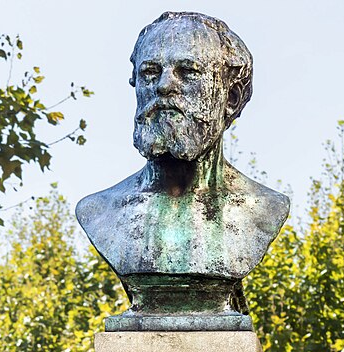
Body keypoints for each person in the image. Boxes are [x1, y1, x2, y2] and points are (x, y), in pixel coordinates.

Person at [76, 11, 290, 329]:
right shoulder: (99, 213)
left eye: (187, 71)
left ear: (230, 97)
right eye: (150, 73)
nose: (164, 86)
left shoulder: (264, 210)